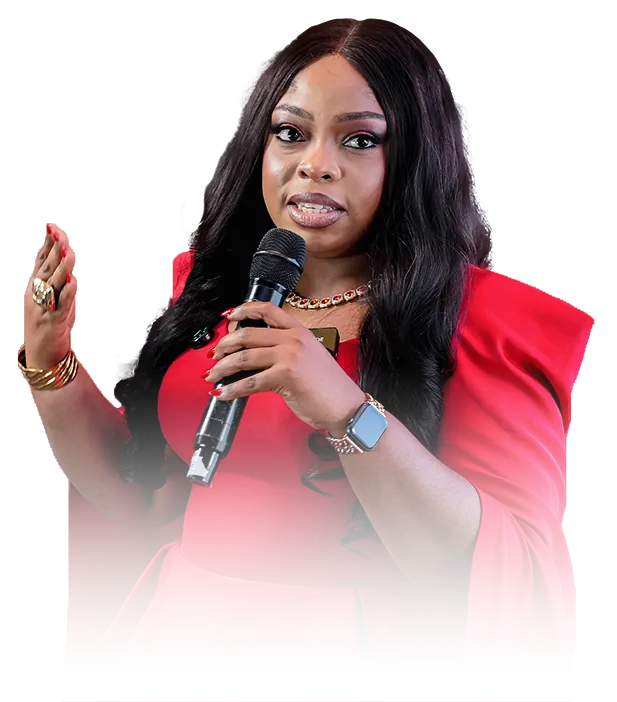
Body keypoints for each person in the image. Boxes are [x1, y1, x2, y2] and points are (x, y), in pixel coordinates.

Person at [21, 17, 593, 694]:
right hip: (190, 649)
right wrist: (49, 364)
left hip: (345, 664)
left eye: (359, 139)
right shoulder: (215, 292)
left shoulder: (483, 320)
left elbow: (495, 573)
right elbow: (146, 497)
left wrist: (347, 411)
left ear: (412, 159)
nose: (315, 164)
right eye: (290, 132)